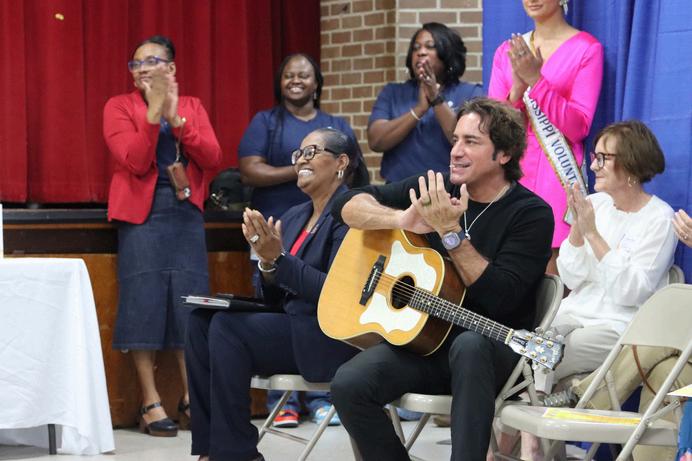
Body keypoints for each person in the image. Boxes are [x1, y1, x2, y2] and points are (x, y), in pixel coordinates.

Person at [329, 98, 554, 461]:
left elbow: (500, 299)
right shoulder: (433, 188)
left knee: (470, 346)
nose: (456, 151)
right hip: (426, 345)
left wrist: (451, 233)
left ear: (504, 154)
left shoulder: (531, 214)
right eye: (455, 139)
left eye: (471, 142)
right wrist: (399, 220)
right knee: (348, 384)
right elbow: (346, 204)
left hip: (492, 353)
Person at [185, 128, 360, 461]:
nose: (301, 161)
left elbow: (337, 293)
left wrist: (279, 259)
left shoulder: (351, 213)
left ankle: (236, 454)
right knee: (201, 321)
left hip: (327, 335)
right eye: (299, 154)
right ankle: (209, 451)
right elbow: (272, 296)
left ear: (341, 162)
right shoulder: (294, 216)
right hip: (290, 325)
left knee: (227, 327)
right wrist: (267, 265)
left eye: (311, 152)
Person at [507, 120, 678, 459]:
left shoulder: (659, 219)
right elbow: (572, 277)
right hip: (576, 313)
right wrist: (576, 230)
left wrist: (593, 235)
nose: (594, 165)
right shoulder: (595, 204)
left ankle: (531, 441)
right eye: (595, 157)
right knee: (529, 345)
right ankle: (533, 439)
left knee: (545, 355)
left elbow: (630, 292)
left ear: (630, 165)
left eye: (603, 158)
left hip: (618, 326)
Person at [103, 35, 222, 436]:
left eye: (151, 61)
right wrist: (154, 114)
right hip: (141, 216)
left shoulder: (192, 106)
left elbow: (213, 157)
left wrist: (177, 119)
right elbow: (136, 161)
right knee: (143, 303)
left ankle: (192, 398)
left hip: (185, 213)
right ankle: (151, 401)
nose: (142, 69)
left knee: (190, 303)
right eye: (136, 64)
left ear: (171, 68)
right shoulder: (119, 107)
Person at [238, 53, 365, 427]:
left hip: (326, 225)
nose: (295, 80)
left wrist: (309, 173)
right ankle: (285, 402)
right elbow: (249, 169)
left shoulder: (335, 126)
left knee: (316, 299)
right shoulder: (267, 122)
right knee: (277, 300)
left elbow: (356, 167)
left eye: (304, 75)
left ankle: (325, 396)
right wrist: (303, 170)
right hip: (276, 226)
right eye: (288, 75)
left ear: (317, 82)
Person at [488, 0, 603, 274]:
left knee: (553, 273)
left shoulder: (586, 49)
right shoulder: (507, 51)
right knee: (506, 267)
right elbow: (493, 126)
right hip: (512, 172)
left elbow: (579, 126)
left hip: (557, 173)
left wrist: (537, 82)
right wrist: (517, 91)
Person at [368, 22, 484, 183]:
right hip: (397, 190)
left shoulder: (471, 93)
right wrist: (419, 110)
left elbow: (467, 142)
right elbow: (376, 141)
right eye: (416, 48)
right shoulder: (393, 92)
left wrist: (436, 98)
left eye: (430, 46)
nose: (421, 52)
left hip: (449, 189)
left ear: (447, 53)